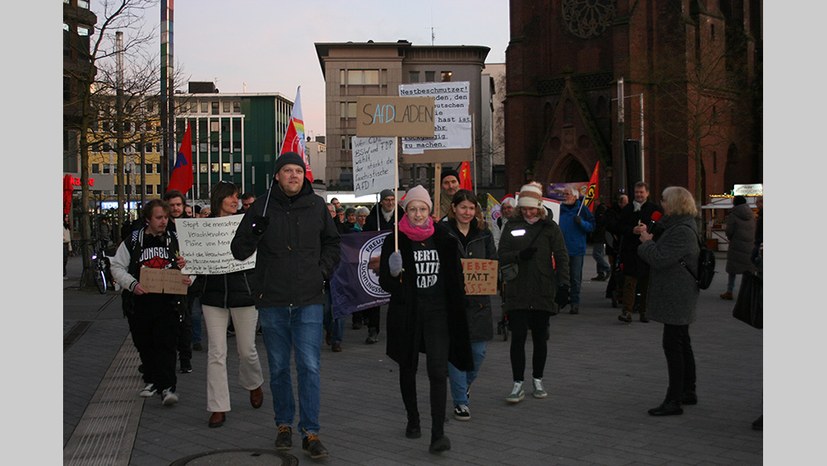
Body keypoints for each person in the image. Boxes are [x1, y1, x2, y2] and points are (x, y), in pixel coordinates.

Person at [231, 152, 340, 460]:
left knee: (309, 366)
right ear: (277, 176)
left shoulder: (317, 206)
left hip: (308, 299)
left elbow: (333, 243)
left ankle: (311, 432)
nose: (293, 175)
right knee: (279, 368)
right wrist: (255, 231)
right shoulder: (262, 206)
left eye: (298, 171)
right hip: (273, 299)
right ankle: (283, 425)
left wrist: (322, 271)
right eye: (287, 171)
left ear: (304, 176)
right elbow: (238, 251)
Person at [378, 185, 473, 454]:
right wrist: (394, 273)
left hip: (438, 314)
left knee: (437, 370)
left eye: (422, 209)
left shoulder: (444, 237)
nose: (418, 214)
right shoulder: (395, 239)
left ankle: (438, 433)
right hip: (408, 313)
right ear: (405, 210)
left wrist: (461, 305)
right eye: (412, 209)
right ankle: (413, 419)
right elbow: (385, 281)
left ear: (430, 211)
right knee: (408, 367)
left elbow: (456, 278)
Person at [193, 181, 264, 429]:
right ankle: (218, 407)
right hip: (212, 296)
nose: (236, 201)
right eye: (232, 197)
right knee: (216, 352)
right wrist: (187, 266)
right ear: (219, 199)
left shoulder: (247, 223)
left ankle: (253, 383)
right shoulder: (202, 227)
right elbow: (194, 260)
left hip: (243, 294)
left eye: (237, 197)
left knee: (247, 350)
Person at [110, 199, 191, 406]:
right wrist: (132, 284)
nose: (164, 221)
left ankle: (168, 387)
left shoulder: (175, 239)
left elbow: (192, 267)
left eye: (165, 217)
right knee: (144, 343)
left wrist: (186, 269)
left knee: (166, 343)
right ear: (148, 219)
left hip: (168, 301)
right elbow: (117, 266)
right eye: (159, 218)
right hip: (140, 302)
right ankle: (153, 380)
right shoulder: (134, 240)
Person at [498, 183, 570, 404]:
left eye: (532, 208)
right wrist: (520, 254)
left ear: (539, 207)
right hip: (517, 289)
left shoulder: (550, 228)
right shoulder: (512, 225)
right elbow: (501, 254)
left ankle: (538, 379)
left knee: (540, 338)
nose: (528, 212)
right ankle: (517, 383)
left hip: (542, 289)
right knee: (517, 337)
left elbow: (562, 256)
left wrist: (564, 285)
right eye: (525, 208)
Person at [636, 186, 700, 416]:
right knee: (682, 341)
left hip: (677, 294)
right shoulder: (679, 225)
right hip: (679, 293)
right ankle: (687, 391)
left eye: (664, 200)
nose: (661, 203)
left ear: (674, 204)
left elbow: (659, 258)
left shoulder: (681, 230)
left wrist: (646, 242)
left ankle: (674, 399)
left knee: (673, 345)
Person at [443, 190, 496, 422]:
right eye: (463, 207)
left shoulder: (484, 234)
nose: (467, 212)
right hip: (452, 303)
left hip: (479, 304)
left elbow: (492, 262)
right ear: (453, 208)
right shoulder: (442, 232)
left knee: (478, 352)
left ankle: (464, 384)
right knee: (456, 354)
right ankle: (460, 402)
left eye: (471, 208)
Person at [362, 189, 404, 344]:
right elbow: (365, 239)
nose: (390, 203)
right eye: (387, 199)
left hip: (396, 261)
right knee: (375, 296)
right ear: (381, 201)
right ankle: (373, 329)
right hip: (378, 262)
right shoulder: (373, 219)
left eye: (393, 199)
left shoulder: (402, 216)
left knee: (397, 296)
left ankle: (398, 329)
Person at [617, 181, 663, 323]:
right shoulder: (627, 209)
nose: (639, 195)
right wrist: (632, 230)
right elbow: (619, 226)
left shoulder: (655, 209)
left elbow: (661, 228)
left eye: (641, 192)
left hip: (648, 251)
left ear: (647, 193)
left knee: (646, 283)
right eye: (637, 192)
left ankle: (644, 312)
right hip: (630, 251)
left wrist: (649, 231)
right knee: (629, 282)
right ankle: (627, 311)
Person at [163, 189, 194, 374]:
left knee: (186, 321)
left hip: (186, 281)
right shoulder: (161, 226)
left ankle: (185, 360)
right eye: (171, 205)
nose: (175, 208)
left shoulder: (190, 226)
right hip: (164, 280)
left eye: (178, 205)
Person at [558, 186, 595, 315]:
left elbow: (591, 227)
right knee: (561, 277)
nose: (565, 196)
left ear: (574, 196)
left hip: (576, 249)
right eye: (564, 194)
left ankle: (575, 302)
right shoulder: (559, 210)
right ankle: (561, 300)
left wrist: (582, 223)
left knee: (575, 278)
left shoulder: (582, 210)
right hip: (561, 249)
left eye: (567, 194)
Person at [720, 195, 757, 300]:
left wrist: (731, 238)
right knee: (748, 271)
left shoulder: (733, 215)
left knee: (732, 270)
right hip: (749, 245)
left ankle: (729, 291)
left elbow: (729, 231)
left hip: (736, 246)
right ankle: (748, 293)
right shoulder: (751, 215)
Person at [323, 202, 346, 352]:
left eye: (332, 211)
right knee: (325, 310)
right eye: (327, 211)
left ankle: (337, 340)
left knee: (340, 310)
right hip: (325, 276)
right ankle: (329, 330)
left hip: (341, 275)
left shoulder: (343, 229)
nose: (330, 213)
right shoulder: (317, 229)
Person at [590, 197, 611, 281]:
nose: (594, 203)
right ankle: (600, 273)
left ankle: (606, 268)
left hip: (600, 235)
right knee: (599, 253)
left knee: (596, 254)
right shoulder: (600, 209)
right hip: (600, 234)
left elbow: (600, 223)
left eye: (595, 201)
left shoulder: (601, 209)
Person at [64, 214, 73, 279]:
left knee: (65, 260)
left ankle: (64, 273)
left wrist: (70, 248)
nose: (67, 219)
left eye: (67, 217)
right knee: (63, 259)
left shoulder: (67, 227)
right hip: (63, 244)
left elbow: (69, 238)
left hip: (66, 244)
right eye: (66, 217)